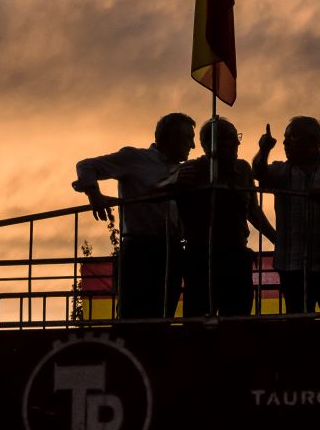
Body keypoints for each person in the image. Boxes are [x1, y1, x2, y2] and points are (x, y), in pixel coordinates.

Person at [72, 112, 195, 319]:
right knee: (133, 315)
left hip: (172, 250)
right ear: (171, 139)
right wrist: (94, 195)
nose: (192, 146)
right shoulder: (134, 158)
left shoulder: (185, 170)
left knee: (164, 315)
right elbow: (86, 165)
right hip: (140, 250)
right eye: (187, 139)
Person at [165, 117, 276, 317]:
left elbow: (253, 210)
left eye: (236, 137)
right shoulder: (191, 170)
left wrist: (276, 238)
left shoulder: (243, 169)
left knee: (237, 321)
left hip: (236, 257)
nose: (237, 143)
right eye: (229, 138)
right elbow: (163, 195)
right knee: (197, 321)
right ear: (208, 144)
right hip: (201, 259)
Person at [252, 116, 320, 313]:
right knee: (298, 325)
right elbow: (259, 173)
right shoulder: (281, 170)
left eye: (292, 136)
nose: (285, 142)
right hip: (292, 265)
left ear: (314, 141)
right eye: (285, 137)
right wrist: (264, 150)